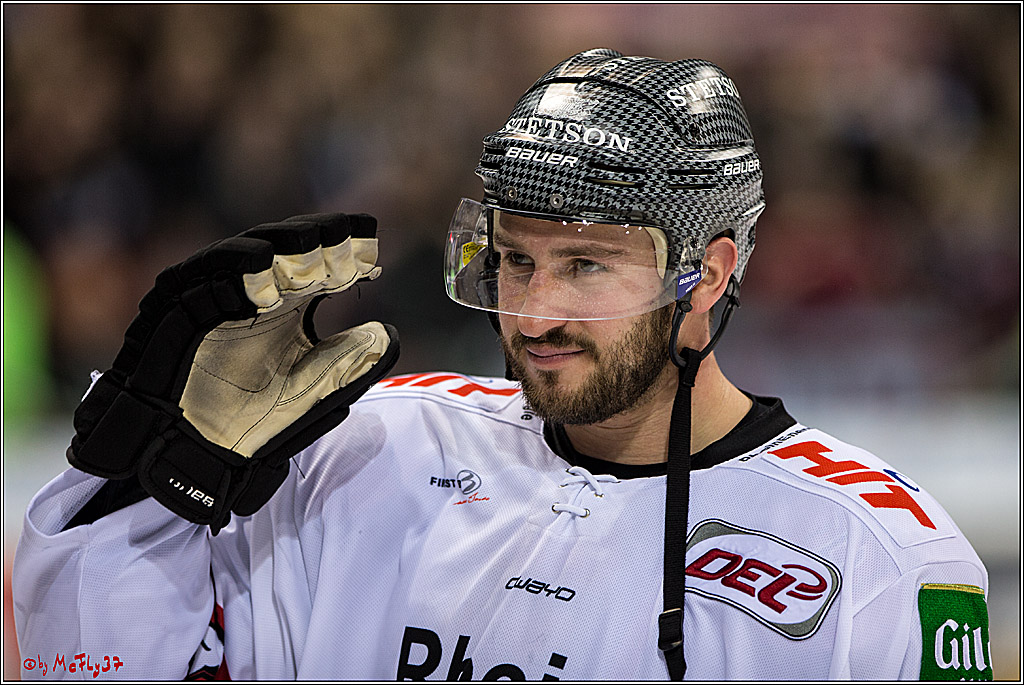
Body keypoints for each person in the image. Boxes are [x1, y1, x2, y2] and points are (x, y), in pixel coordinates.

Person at [14, 48, 991, 681]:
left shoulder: (879, 557)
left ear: (708, 275)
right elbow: (89, 660)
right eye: (515, 259)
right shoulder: (365, 447)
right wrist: (141, 477)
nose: (534, 309)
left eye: (584, 266)